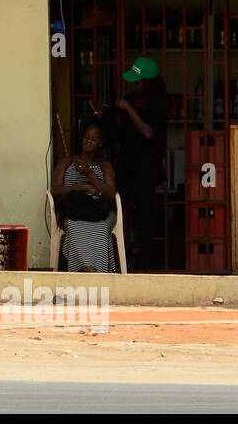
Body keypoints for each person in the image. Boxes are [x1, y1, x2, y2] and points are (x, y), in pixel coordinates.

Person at [104, 57, 167, 270]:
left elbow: (148, 132)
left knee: (144, 218)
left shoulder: (158, 105)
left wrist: (128, 110)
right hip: (128, 167)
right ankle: (121, 260)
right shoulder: (131, 100)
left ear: (148, 83)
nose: (132, 86)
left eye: (137, 82)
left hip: (146, 170)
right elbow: (120, 134)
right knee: (120, 213)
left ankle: (145, 265)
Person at [51, 120, 118, 273]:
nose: (89, 141)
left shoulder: (104, 165)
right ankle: (89, 271)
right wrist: (82, 187)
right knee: (75, 228)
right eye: (87, 137)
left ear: (100, 143)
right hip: (73, 210)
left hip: (100, 211)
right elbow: (55, 190)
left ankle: (96, 270)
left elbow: (109, 193)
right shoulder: (66, 162)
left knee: (101, 229)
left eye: (94, 139)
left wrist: (89, 174)